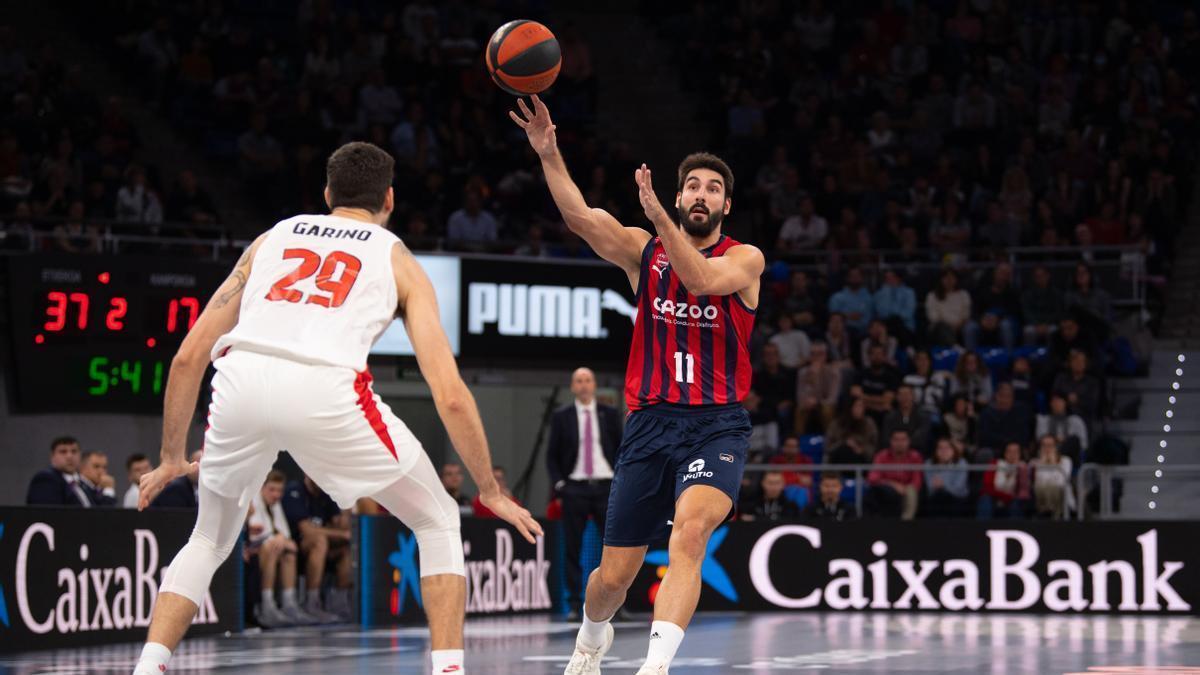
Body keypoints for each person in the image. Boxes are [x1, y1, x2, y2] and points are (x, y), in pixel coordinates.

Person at [131, 142, 539, 675]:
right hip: (326, 390)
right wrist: (488, 489)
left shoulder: (269, 239)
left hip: (240, 379)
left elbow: (187, 359)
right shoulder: (397, 258)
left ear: (327, 194)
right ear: (389, 198)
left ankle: (149, 665)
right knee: (438, 518)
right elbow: (451, 393)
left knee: (208, 537)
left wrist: (168, 458)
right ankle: (449, 671)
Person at [512, 95, 763, 675]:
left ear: (727, 204)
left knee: (691, 536)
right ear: (678, 197)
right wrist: (549, 153)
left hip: (715, 423)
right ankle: (590, 640)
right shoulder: (643, 252)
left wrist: (659, 223)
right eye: (692, 186)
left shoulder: (745, 259)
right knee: (612, 579)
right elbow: (580, 217)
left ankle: (655, 669)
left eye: (713, 188)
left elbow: (700, 282)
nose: (701, 194)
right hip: (650, 424)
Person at [546, 366, 622, 621]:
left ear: (595, 384)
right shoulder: (562, 416)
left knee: (616, 547)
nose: (584, 385)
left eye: (588, 380)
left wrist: (621, 481)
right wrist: (560, 485)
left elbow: (622, 448)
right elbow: (552, 455)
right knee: (573, 547)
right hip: (575, 488)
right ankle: (575, 604)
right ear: (572, 387)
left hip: (606, 486)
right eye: (578, 380)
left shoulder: (609, 414)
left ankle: (615, 604)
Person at [248, 470, 314, 627]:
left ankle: (289, 603)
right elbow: (257, 533)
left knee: (289, 553)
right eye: (272, 489)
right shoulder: (254, 500)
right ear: (262, 488)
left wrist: (280, 538)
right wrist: (279, 538)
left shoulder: (276, 505)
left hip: (268, 548)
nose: (276, 494)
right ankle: (267, 605)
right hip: (252, 551)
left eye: (280, 490)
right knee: (273, 546)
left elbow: (285, 534)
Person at [282, 474, 353, 621]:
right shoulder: (295, 491)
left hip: (324, 549)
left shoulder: (326, 494)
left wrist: (346, 501)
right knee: (319, 541)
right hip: (296, 547)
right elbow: (307, 530)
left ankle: (339, 601)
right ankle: (311, 602)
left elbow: (339, 524)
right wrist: (340, 533)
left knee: (346, 548)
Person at [866, 429, 923, 520]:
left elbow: (917, 481)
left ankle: (906, 522)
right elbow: (872, 478)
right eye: (896, 439)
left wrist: (904, 488)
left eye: (903, 439)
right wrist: (893, 485)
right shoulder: (882, 456)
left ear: (909, 441)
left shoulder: (915, 456)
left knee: (911, 491)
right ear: (891, 441)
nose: (899, 443)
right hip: (887, 490)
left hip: (906, 490)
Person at [26, 436, 89, 506]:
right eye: (63, 452)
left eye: (74, 451)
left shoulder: (83, 483)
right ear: (52, 456)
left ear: (80, 455)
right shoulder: (46, 479)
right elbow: (46, 513)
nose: (69, 456)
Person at [793, 341, 840, 434]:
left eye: (820, 354)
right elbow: (800, 397)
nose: (816, 357)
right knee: (800, 410)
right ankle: (798, 442)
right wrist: (812, 377)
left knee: (827, 410)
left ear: (825, 356)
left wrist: (817, 402)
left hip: (825, 404)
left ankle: (829, 440)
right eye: (813, 354)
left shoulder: (833, 372)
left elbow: (832, 398)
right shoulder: (803, 372)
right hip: (808, 405)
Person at [979, 442, 1031, 519]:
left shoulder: (1022, 467)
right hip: (994, 496)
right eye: (1009, 451)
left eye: (1015, 452)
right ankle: (981, 528)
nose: (1012, 454)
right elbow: (987, 487)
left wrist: (1020, 469)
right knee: (985, 500)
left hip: (1013, 500)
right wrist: (1006, 497)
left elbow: (1024, 491)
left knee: (1016, 504)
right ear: (1004, 453)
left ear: (1020, 454)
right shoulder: (995, 463)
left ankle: (1017, 528)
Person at [923, 438, 970, 518]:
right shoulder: (929, 463)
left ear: (953, 450)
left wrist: (943, 485)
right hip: (936, 498)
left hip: (957, 499)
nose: (943, 451)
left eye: (947, 448)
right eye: (940, 448)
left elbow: (958, 489)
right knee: (937, 498)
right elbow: (930, 488)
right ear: (935, 451)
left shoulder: (961, 463)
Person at [882, 385, 933, 455]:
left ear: (913, 396)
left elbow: (922, 437)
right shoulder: (890, 417)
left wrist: (903, 445)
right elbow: (886, 437)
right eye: (901, 394)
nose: (904, 397)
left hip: (918, 452)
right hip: (894, 454)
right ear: (897, 397)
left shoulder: (923, 416)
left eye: (907, 394)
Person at [1031, 435, 1074, 519]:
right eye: (1044, 445)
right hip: (1041, 501)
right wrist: (1042, 464)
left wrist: (1054, 464)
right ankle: (1045, 513)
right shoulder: (1034, 463)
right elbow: (1038, 483)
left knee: (1054, 488)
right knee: (1041, 488)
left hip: (1061, 500)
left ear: (1056, 447)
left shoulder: (1066, 461)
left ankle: (1054, 514)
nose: (1047, 448)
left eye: (1050, 445)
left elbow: (1061, 482)